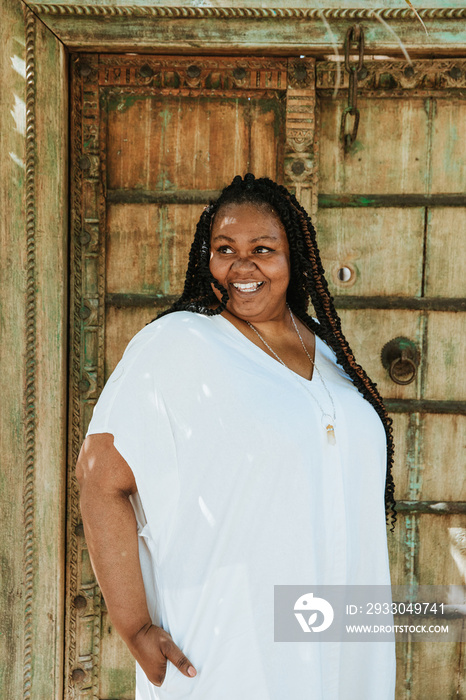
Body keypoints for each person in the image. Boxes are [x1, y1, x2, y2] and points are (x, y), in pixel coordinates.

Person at [76, 173, 397, 700]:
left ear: (295, 258)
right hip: (229, 643)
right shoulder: (177, 345)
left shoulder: (333, 358)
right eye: (225, 249)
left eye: (263, 249)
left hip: (337, 635)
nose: (242, 266)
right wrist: (134, 624)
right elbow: (100, 478)